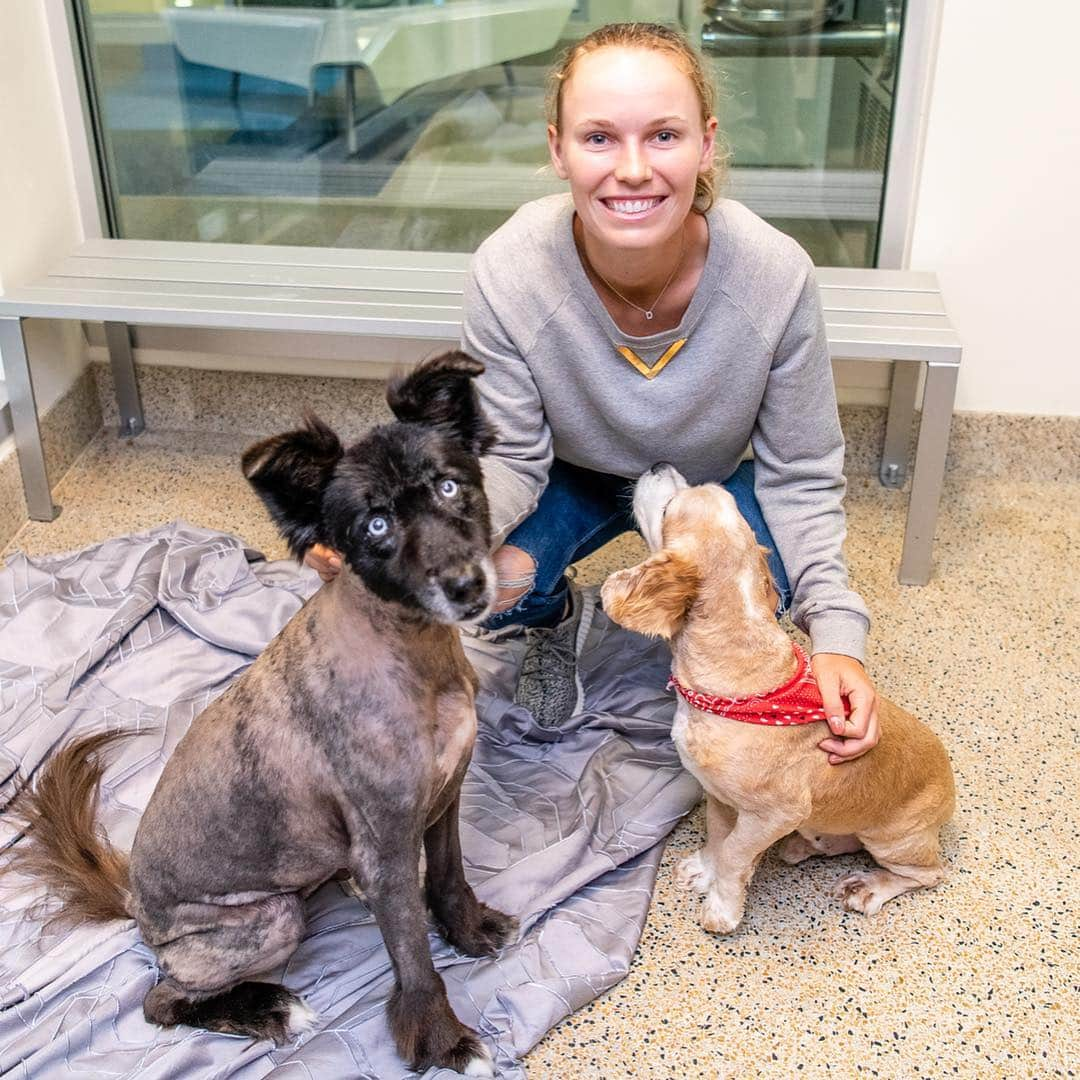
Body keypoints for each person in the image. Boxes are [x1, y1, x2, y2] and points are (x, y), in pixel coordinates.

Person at [307, 22, 879, 763]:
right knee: (506, 584)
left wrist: (841, 639)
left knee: (765, 594)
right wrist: (429, 549)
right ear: (557, 149)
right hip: (564, 473)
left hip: (707, 485)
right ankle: (557, 623)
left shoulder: (776, 275)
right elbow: (507, 456)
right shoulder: (510, 269)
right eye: (600, 138)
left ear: (707, 143)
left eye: (664, 136)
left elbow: (801, 472)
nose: (633, 169)